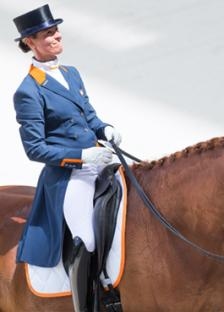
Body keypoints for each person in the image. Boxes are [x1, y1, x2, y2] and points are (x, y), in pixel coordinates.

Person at [13, 5, 122, 311]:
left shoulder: (71, 74)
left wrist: (105, 128)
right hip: (67, 176)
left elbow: (88, 115)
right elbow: (35, 148)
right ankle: (88, 304)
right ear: (31, 42)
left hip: (100, 161)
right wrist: (81, 155)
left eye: (56, 30)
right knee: (86, 237)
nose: (57, 36)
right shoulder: (29, 91)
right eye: (48, 34)